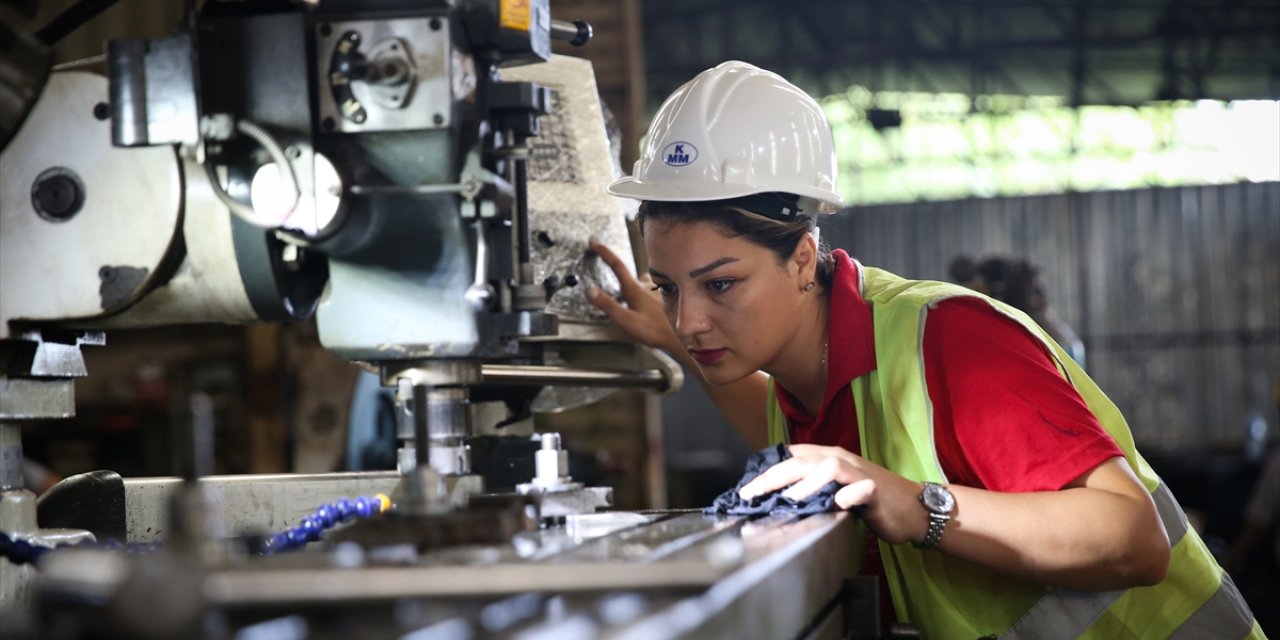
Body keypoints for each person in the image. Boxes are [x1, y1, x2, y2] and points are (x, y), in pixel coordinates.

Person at [586, 60, 1262, 638]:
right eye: (668, 287)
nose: (693, 319)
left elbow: (1133, 539)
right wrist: (665, 329)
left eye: (720, 285)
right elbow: (758, 409)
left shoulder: (950, 342)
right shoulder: (806, 385)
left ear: (800, 258)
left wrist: (921, 505)